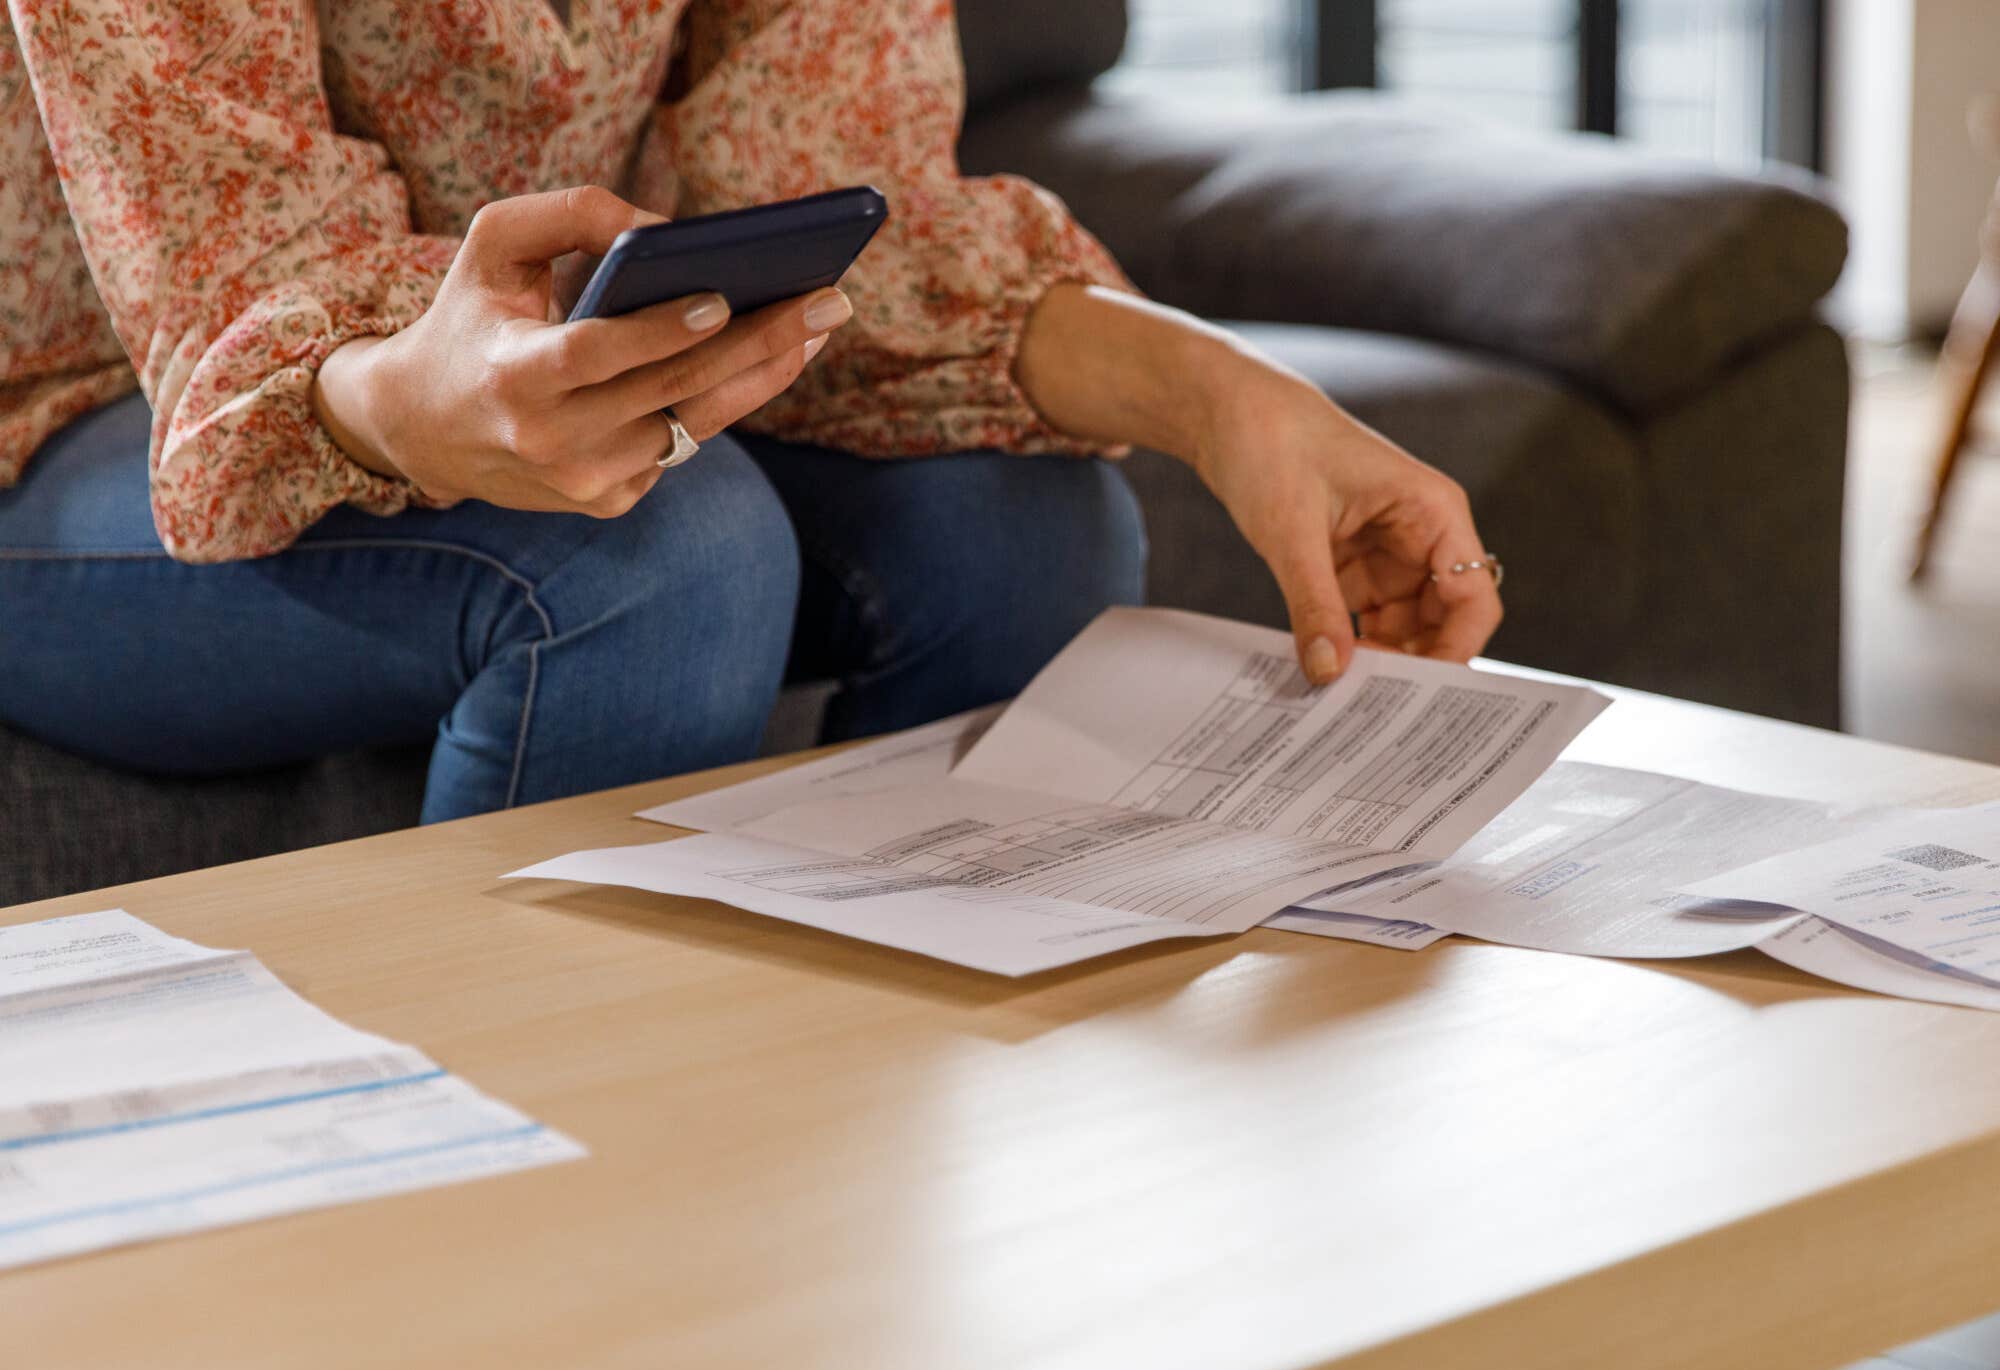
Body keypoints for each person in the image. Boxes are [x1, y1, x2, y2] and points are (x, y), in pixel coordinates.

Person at [0, 2, 1502, 822]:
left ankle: (857, 1134)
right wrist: (410, 398)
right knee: (667, 557)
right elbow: (238, 284)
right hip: (99, 400)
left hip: (548, 356)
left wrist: (1223, 395)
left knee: (1029, 530)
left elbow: (842, 199)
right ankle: (529, 1224)